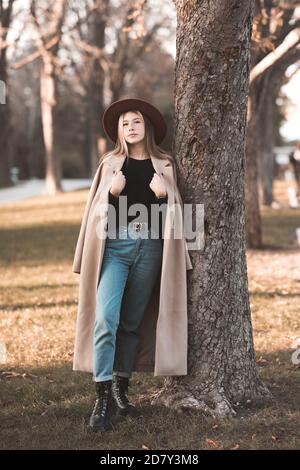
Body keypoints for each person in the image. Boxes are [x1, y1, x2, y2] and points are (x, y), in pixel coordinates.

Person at [72, 98, 193, 433]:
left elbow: (177, 215)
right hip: (116, 248)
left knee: (130, 323)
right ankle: (101, 397)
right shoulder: (110, 164)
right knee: (105, 320)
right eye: (125, 123)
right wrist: (111, 194)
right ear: (119, 131)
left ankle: (120, 391)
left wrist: (163, 195)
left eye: (136, 121)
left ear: (147, 127)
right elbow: (96, 213)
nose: (130, 127)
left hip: (152, 248)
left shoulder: (165, 164)